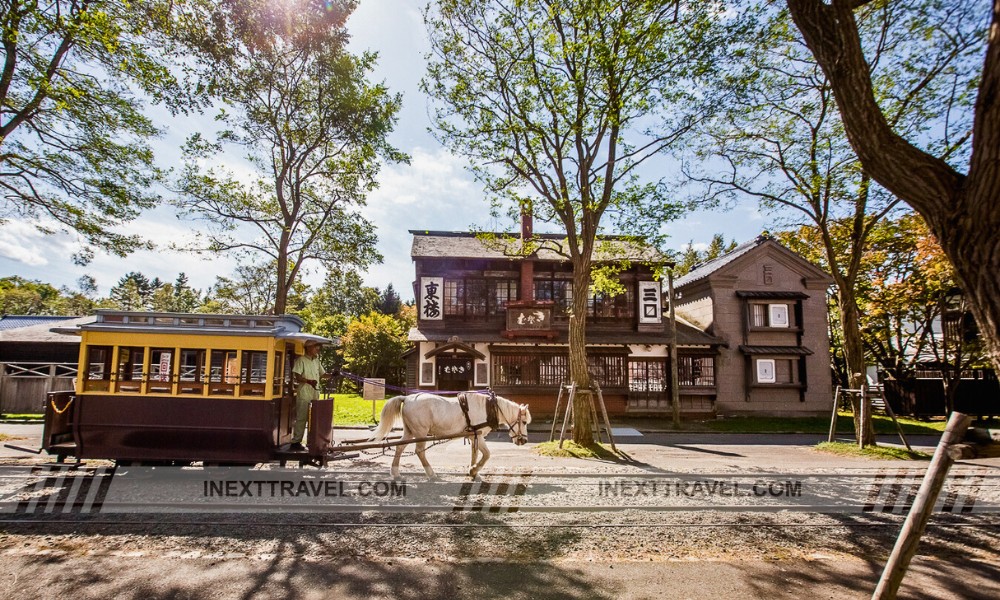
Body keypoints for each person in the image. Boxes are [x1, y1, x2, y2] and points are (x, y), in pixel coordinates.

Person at [289, 339, 328, 451]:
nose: (318, 349)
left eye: (318, 347)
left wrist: (333, 374)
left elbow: (323, 374)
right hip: (304, 393)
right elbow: (297, 377)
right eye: (316, 347)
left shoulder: (316, 361)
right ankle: (296, 442)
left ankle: (312, 442)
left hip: (314, 393)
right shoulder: (301, 360)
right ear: (309, 348)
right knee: (302, 417)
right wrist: (309, 381)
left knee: (314, 418)